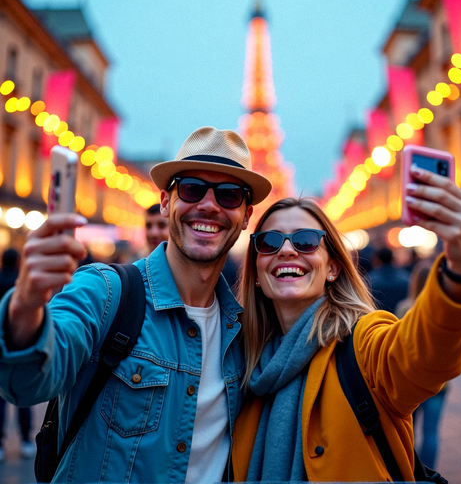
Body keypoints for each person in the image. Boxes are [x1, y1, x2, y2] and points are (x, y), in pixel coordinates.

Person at [0, 126, 272, 483]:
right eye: (192, 189)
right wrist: (25, 304)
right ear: (165, 202)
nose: (209, 205)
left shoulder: (244, 334)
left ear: (246, 216)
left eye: (229, 195)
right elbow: (26, 382)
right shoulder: (105, 292)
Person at [232, 164, 461, 482]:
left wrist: (460, 270)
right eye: (270, 242)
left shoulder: (363, 343)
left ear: (333, 268)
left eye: (306, 240)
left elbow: (421, 355)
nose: (286, 250)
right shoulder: (239, 367)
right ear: (257, 272)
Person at [395, 258, 448, 469]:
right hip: (438, 382)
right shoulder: (443, 310)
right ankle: (429, 474)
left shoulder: (404, 308)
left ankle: (411, 472)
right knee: (432, 433)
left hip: (411, 380)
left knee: (409, 432)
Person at [0, 248, 36, 461]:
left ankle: (1, 444)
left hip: (1, 340)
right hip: (22, 343)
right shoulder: (21, 283)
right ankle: (25, 440)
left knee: (1, 397)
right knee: (24, 394)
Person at [369, 246, 409, 313]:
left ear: (378, 260)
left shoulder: (370, 279)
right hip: (400, 318)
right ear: (392, 259)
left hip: (379, 319)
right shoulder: (405, 277)